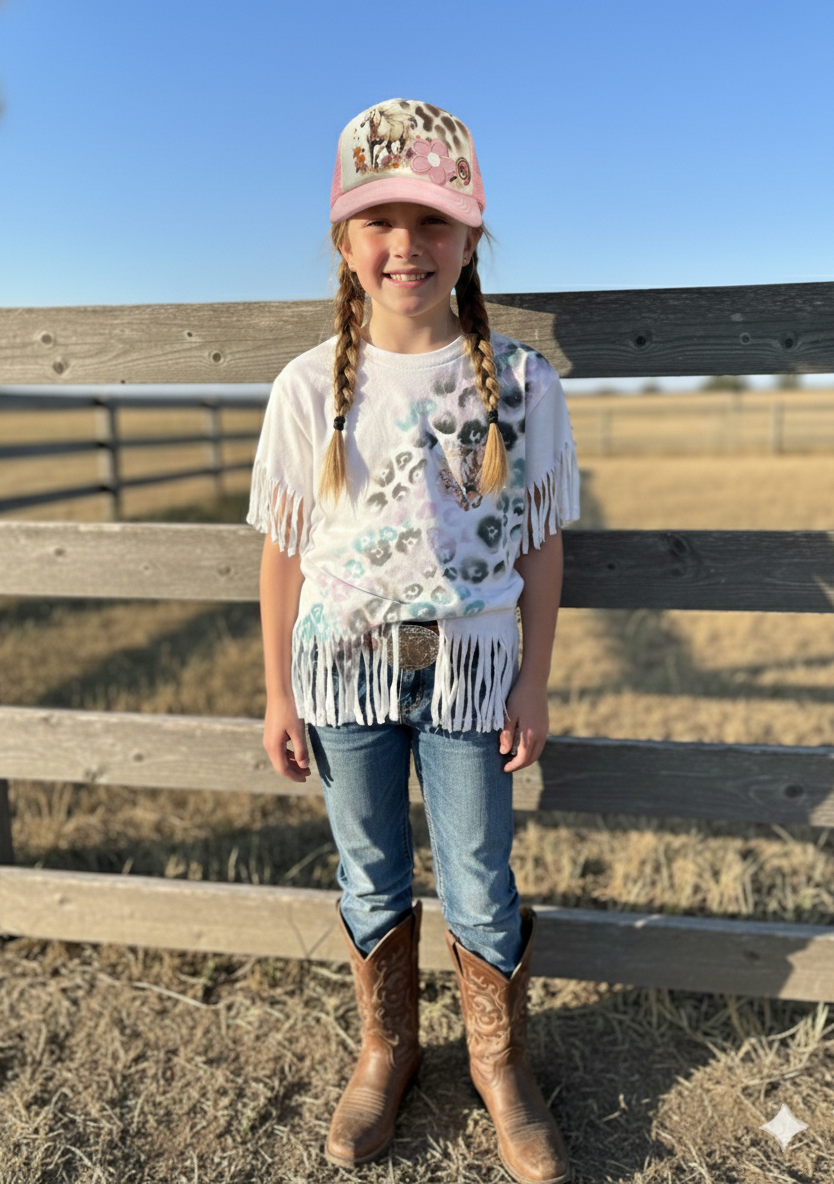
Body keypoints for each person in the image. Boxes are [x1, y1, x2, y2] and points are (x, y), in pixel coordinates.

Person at [248, 98, 579, 1184]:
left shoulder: (521, 386)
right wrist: (276, 693)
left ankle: (499, 1065)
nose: (406, 244)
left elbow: (537, 548)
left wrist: (532, 678)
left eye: (432, 220)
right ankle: (387, 1047)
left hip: (472, 675)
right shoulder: (307, 388)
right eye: (380, 221)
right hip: (340, 672)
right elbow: (285, 553)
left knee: (480, 872)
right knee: (371, 867)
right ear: (344, 242)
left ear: (470, 235)